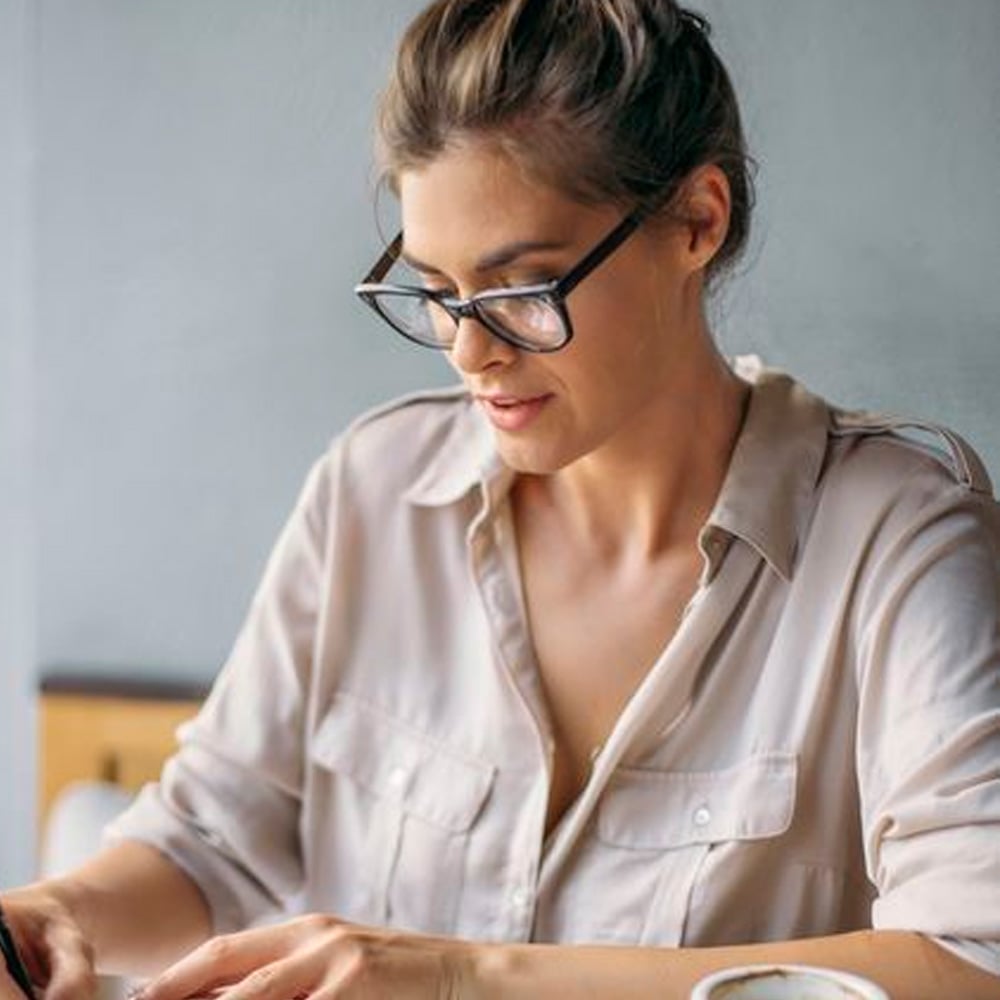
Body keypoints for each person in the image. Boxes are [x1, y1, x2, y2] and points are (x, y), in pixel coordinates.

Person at [3, 1, 1000, 997]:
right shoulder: (374, 491)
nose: (470, 351)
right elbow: (210, 838)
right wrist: (58, 913)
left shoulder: (898, 535)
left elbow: (973, 958)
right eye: (435, 289)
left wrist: (463, 977)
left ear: (698, 220)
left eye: (523, 286)